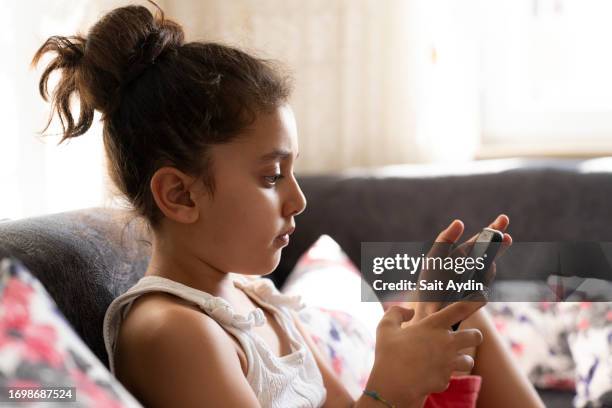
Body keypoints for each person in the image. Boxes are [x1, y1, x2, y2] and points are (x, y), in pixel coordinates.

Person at [32, 2, 544, 407]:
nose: (297, 198)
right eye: (271, 176)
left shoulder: (255, 300)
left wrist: (414, 340)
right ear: (180, 194)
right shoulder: (171, 332)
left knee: (458, 314)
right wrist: (393, 387)